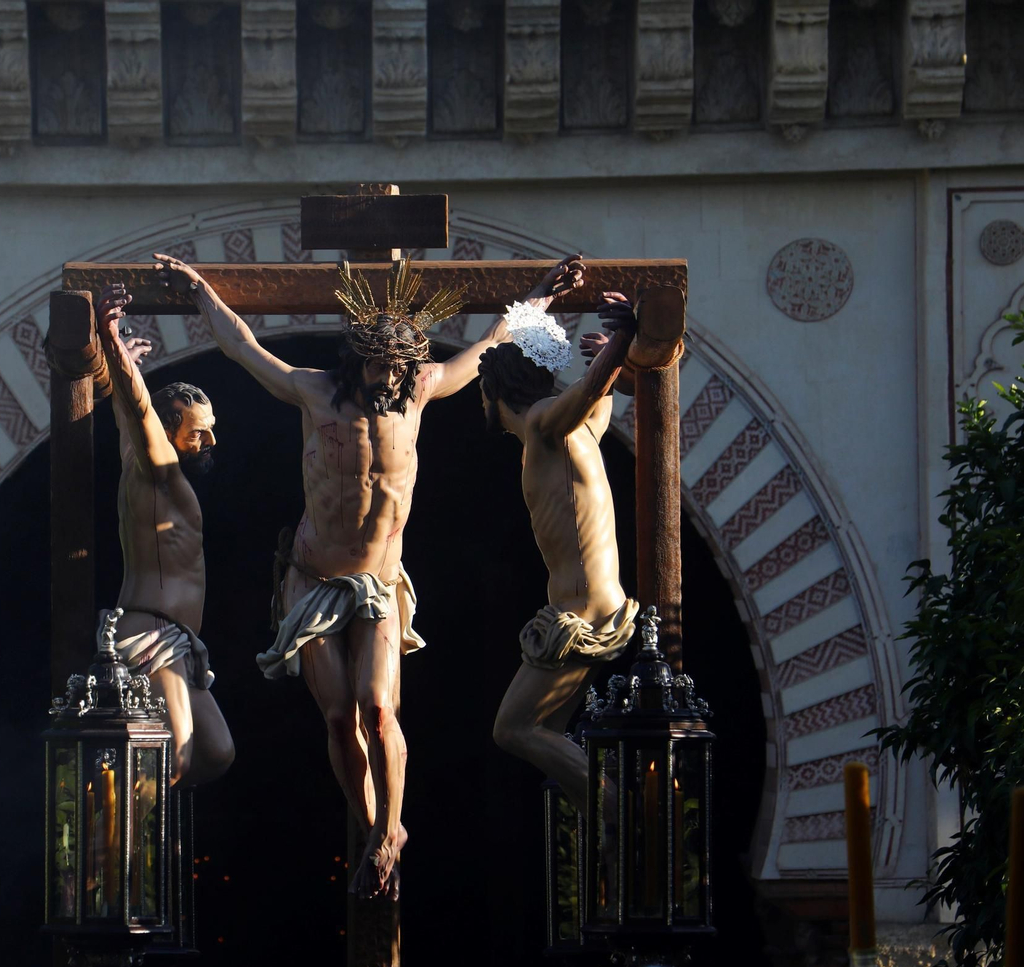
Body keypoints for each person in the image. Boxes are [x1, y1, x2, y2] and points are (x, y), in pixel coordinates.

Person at [153, 251, 584, 897]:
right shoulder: (314, 390)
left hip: (379, 582)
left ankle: (390, 831)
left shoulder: (421, 389)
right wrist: (197, 291)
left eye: (400, 367)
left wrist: (541, 296)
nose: (391, 378)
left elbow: (493, 340)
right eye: (381, 366)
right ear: (357, 361)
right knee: (338, 717)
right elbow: (242, 347)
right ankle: (374, 830)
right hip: (313, 580)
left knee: (380, 709)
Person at [478, 290, 643, 811]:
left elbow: (586, 392)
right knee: (546, 731)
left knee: (512, 729)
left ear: (492, 389)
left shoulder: (545, 424)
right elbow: (596, 396)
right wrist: (610, 354)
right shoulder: (579, 434)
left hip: (583, 610)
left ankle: (620, 811)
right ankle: (605, 821)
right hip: (592, 603)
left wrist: (623, 338)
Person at [95, 282, 235, 787]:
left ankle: (127, 794)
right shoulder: (159, 468)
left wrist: (122, 361)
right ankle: (115, 851)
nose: (211, 440)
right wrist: (111, 342)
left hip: (177, 638)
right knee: (177, 755)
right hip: (152, 634)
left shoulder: (138, 459)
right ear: (170, 432)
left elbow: (124, 414)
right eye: (199, 431)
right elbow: (135, 408)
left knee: (217, 753)